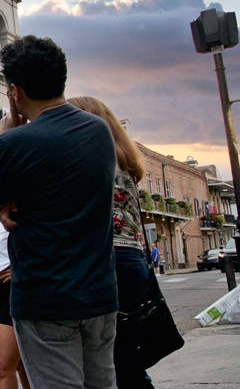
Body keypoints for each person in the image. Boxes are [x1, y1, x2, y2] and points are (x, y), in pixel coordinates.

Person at [0, 35, 118, 389]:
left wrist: (10, 132)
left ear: (15, 92)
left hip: (45, 298)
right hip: (99, 293)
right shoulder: (99, 131)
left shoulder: (15, 142)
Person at [67, 96, 156, 389]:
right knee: (128, 355)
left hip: (105, 259)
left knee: (105, 359)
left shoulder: (90, 156)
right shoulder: (124, 159)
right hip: (132, 261)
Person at [0, 219, 31, 389]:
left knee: (3, 368)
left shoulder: (18, 213)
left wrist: (23, 270)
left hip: (13, 291)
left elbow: (45, 242)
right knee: (22, 365)